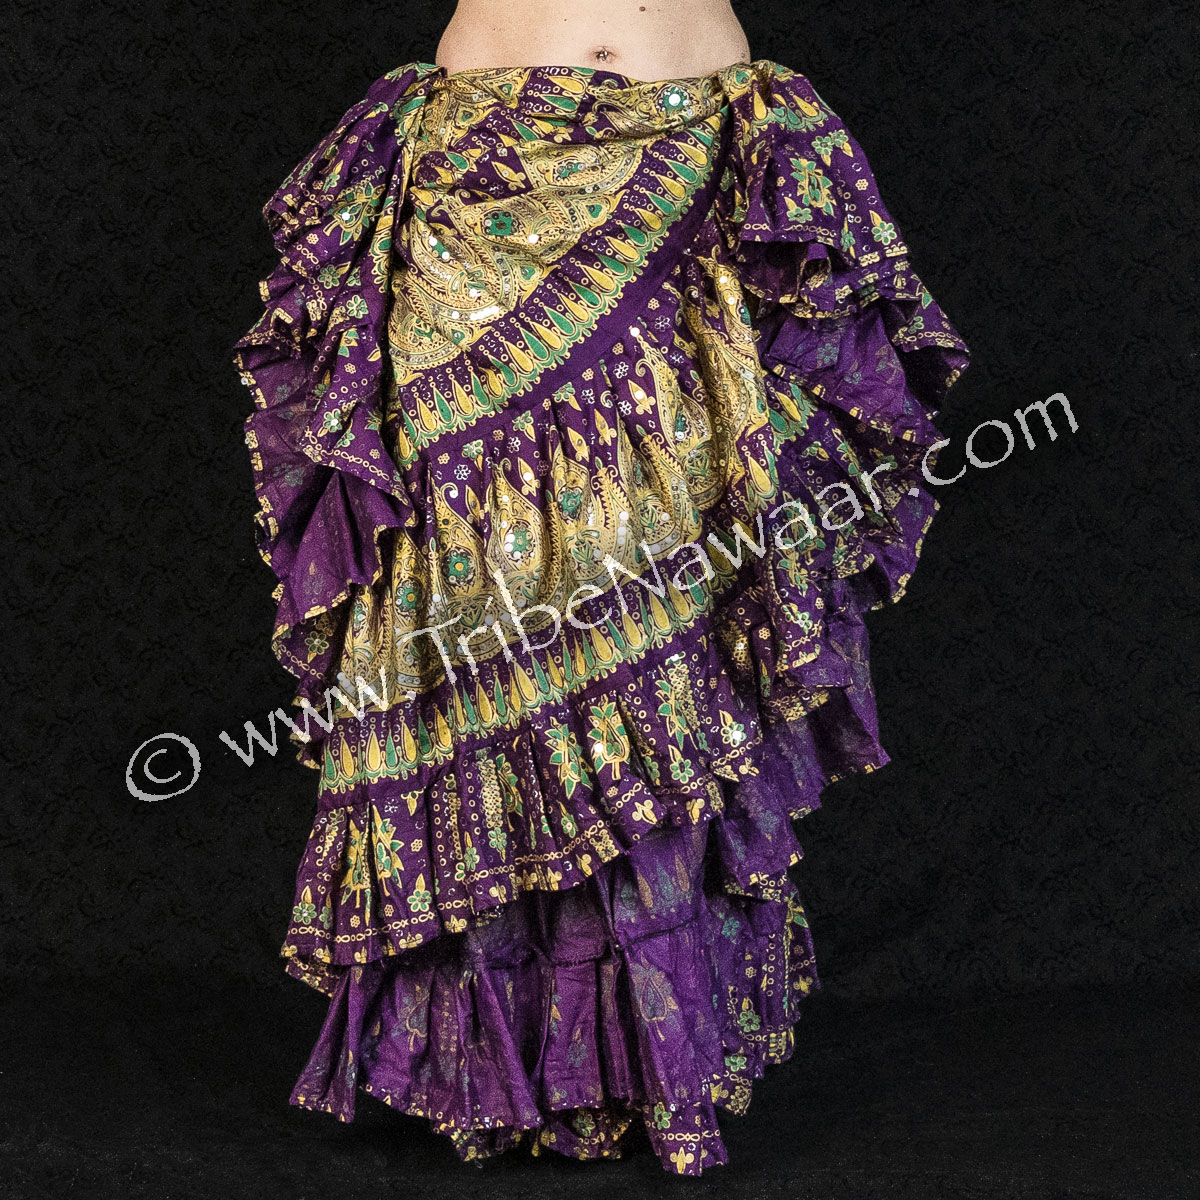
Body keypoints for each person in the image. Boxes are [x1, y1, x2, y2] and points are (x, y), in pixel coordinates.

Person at [230, 0, 969, 1175]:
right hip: (481, 191)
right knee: (473, 600)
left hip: (685, 177)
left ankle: (656, 1062)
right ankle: (496, 1068)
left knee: (665, 619)